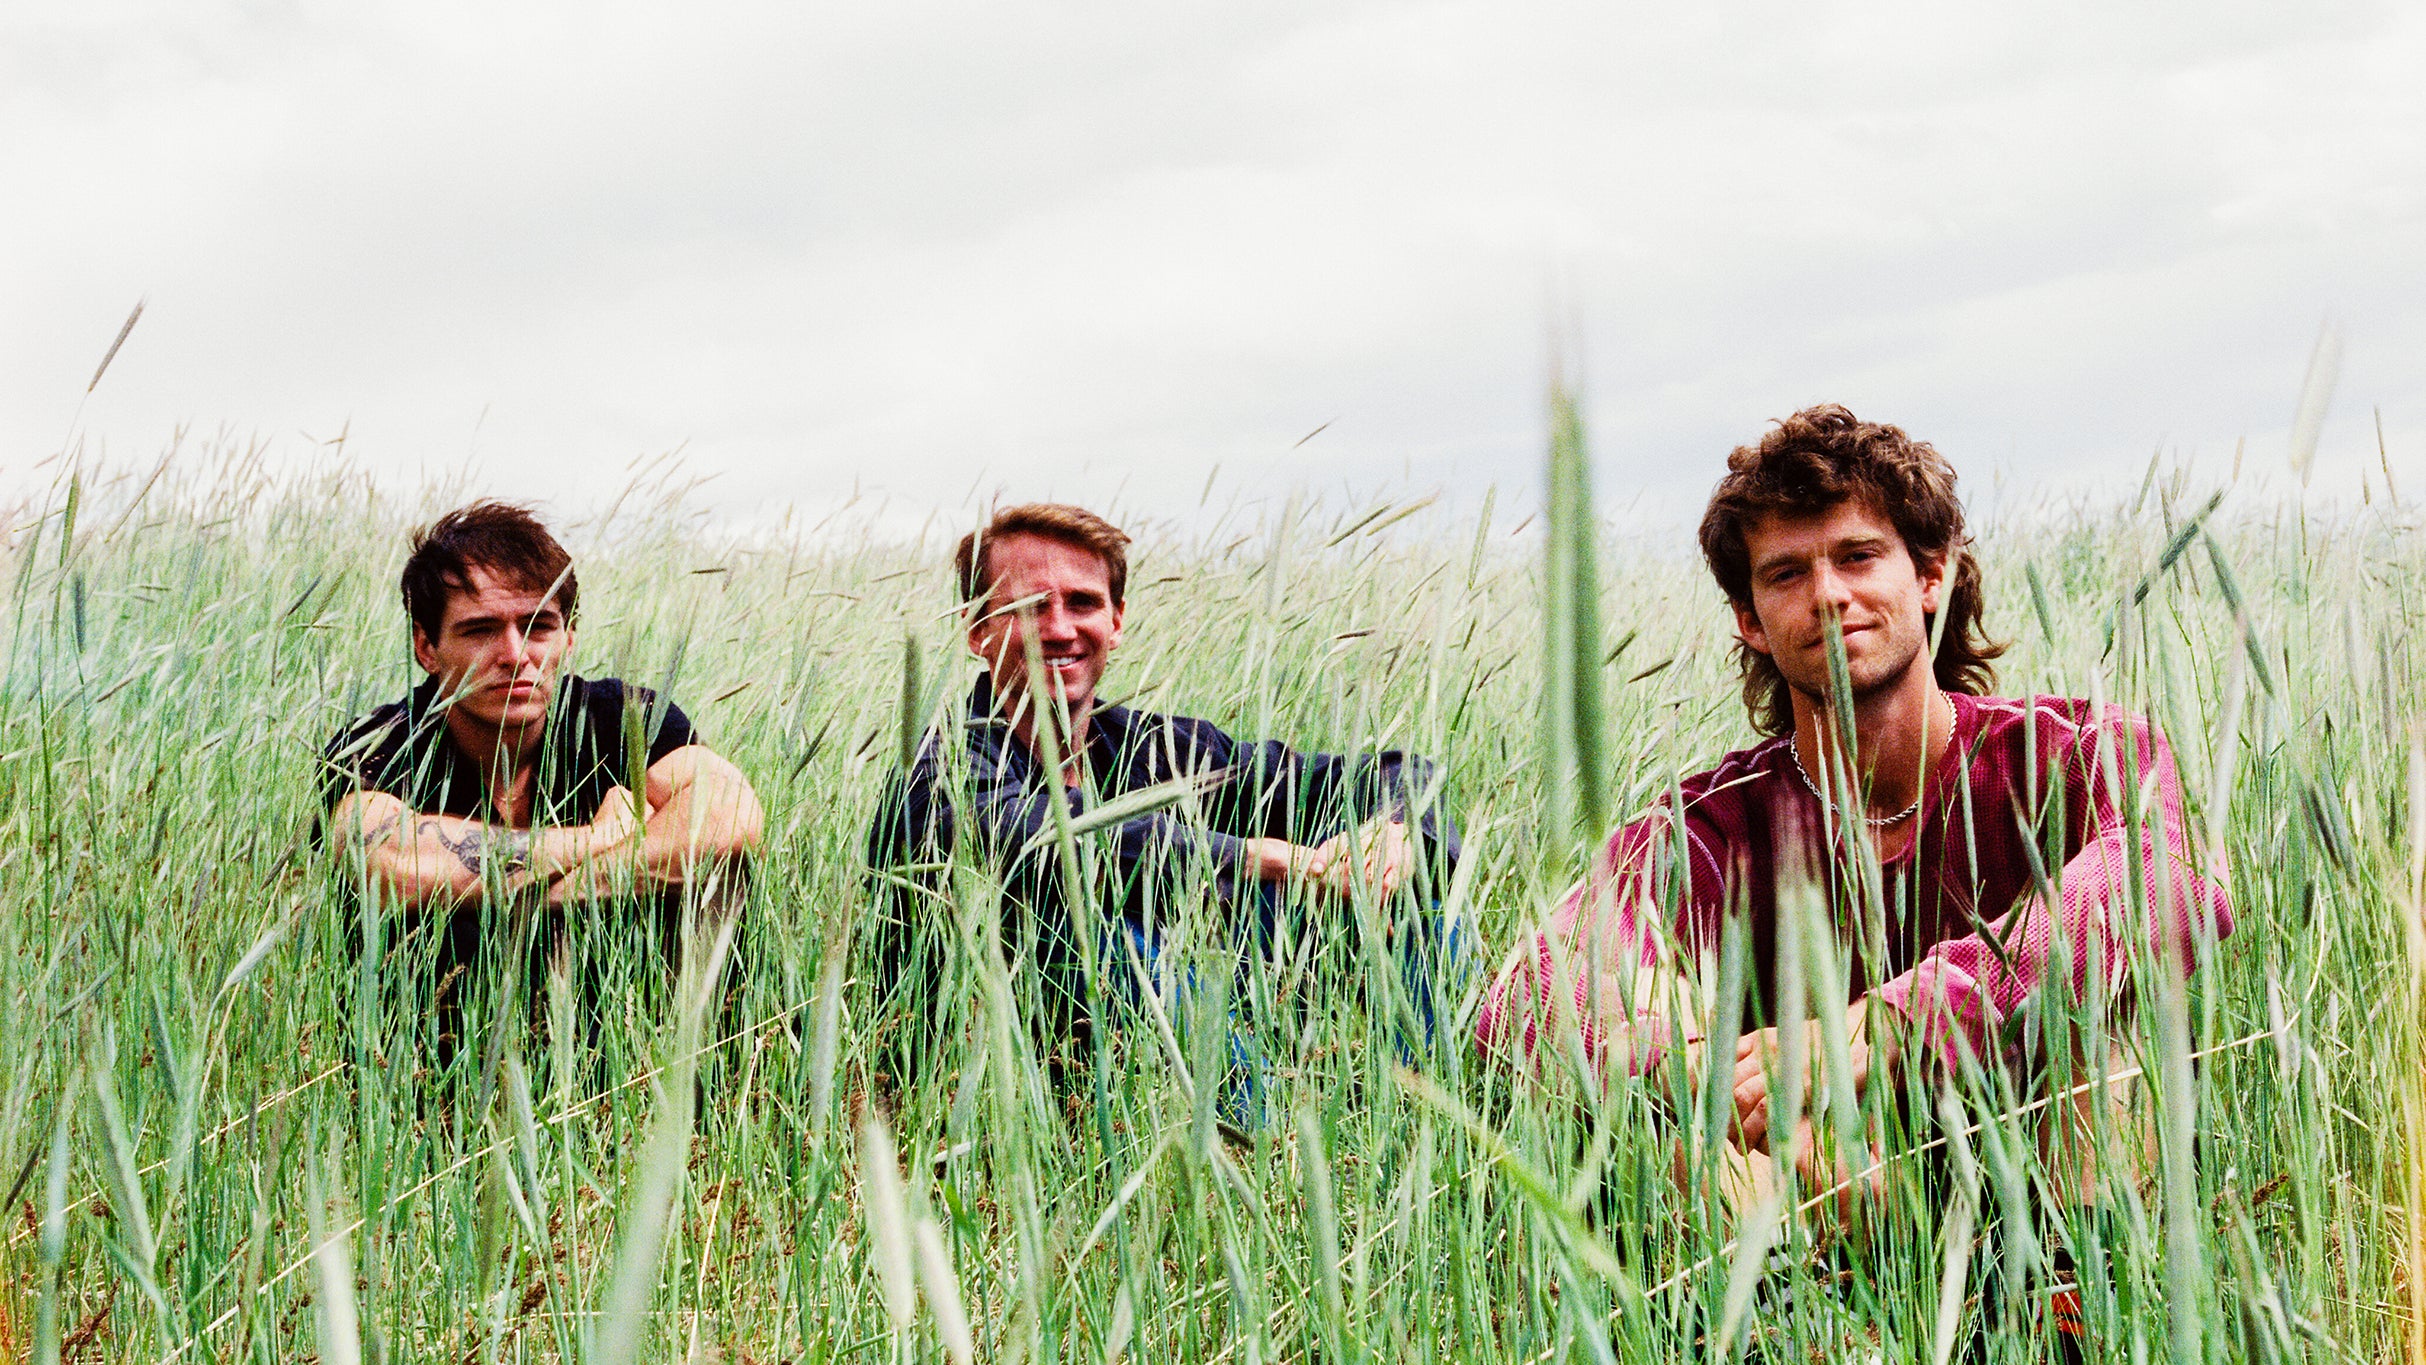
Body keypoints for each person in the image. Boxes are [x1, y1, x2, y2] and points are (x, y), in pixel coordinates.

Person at [1477, 406, 2232, 1346]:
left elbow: (2173, 879)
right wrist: (1720, 1069)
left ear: (1930, 576)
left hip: (2033, 1185)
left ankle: (2062, 1324)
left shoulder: (2071, 751)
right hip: (1816, 1196)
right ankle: (1800, 1328)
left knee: (2108, 1027)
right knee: (1653, 1079)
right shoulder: (1711, 822)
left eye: (1857, 556)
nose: (1827, 595)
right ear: (1752, 621)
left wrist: (1900, 1022)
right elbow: (1529, 988)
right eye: (1787, 574)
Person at [868, 503, 1461, 1097]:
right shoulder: (942, 761)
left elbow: (1393, 773)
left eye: (1082, 603)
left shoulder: (1160, 747)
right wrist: (1271, 859)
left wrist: (1395, 832)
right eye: (1027, 606)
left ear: (1117, 620)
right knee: (1110, 933)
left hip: (1176, 1031)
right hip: (1013, 1075)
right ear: (977, 630)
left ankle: (1442, 1111)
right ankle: (1258, 1144)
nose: (1057, 628)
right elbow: (1040, 837)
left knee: (1414, 903)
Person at [321, 501, 764, 1059]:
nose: (515, 655)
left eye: (538, 627)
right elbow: (386, 864)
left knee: (719, 881)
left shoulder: (625, 718)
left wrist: (533, 887)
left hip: (615, 1040)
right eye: (481, 630)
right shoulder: (380, 742)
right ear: (427, 647)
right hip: (425, 1058)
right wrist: (601, 841)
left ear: (568, 638)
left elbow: (731, 821)